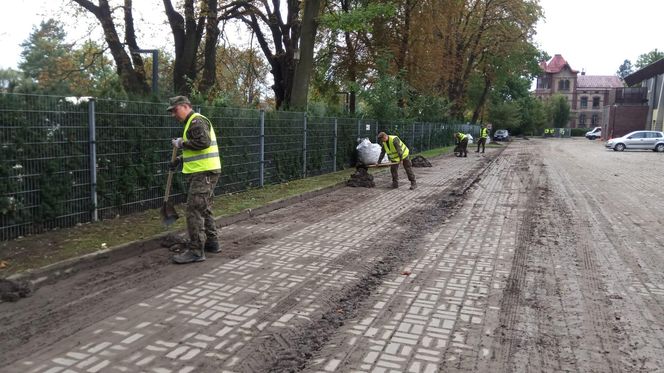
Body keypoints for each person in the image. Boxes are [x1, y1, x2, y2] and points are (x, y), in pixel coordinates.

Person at [167, 96, 222, 264]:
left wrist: (182, 143)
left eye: (175, 110)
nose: (173, 115)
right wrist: (180, 160)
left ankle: (196, 251)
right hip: (204, 172)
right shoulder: (192, 123)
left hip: (203, 174)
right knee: (204, 208)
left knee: (193, 210)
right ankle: (212, 243)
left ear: (185, 106)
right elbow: (198, 151)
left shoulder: (195, 121)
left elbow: (203, 142)